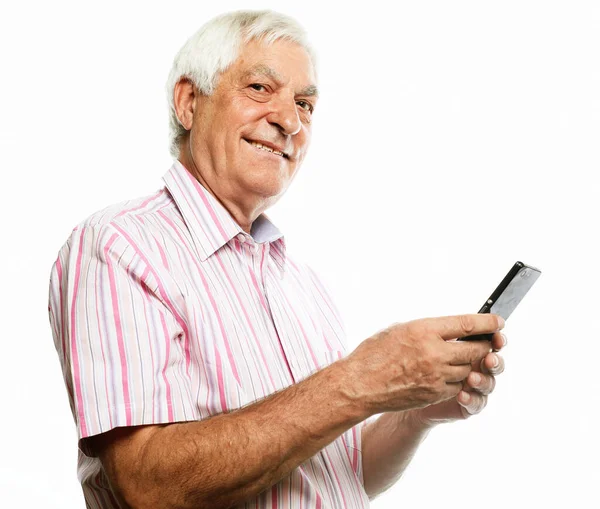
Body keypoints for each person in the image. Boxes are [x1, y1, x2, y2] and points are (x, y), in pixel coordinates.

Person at [47, 9, 506, 509]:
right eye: (261, 89)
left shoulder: (302, 285)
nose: (289, 121)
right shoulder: (120, 245)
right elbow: (149, 486)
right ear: (188, 101)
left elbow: (337, 479)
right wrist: (361, 379)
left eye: (305, 104)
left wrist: (412, 412)